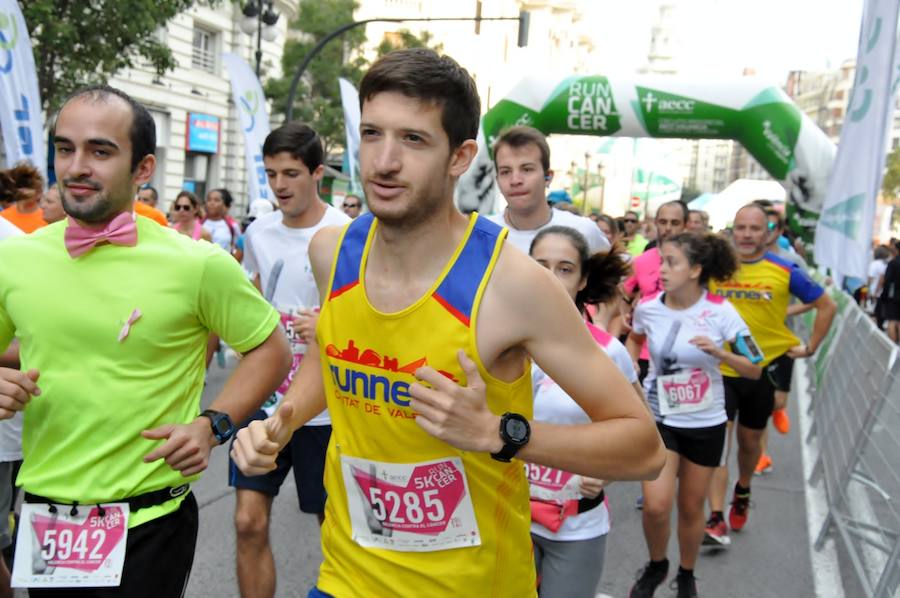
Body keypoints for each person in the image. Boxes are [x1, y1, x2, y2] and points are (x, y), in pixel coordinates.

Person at [231, 48, 664, 597]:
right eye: (372, 134)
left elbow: (644, 448)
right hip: (346, 578)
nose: (384, 161)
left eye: (413, 140)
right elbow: (332, 356)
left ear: (460, 157)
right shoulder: (331, 252)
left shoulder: (513, 285)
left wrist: (500, 434)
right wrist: (282, 424)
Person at [0, 84, 291, 595]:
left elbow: (271, 350)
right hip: (48, 519)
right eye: (65, 149)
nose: (76, 166)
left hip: (148, 518)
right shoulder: (16, 258)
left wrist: (212, 424)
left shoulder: (196, 264)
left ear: (143, 169)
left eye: (101, 151)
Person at [231, 123, 350, 598]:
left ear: (317, 173)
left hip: (324, 408)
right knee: (246, 522)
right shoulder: (259, 232)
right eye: (272, 174)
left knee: (333, 530)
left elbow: (367, 315)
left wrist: (326, 326)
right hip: (265, 399)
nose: (280, 185)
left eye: (292, 173)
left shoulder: (346, 232)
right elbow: (249, 297)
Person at [626, 232, 762, 598]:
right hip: (661, 419)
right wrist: (630, 370)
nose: (662, 270)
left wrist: (722, 355)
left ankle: (686, 574)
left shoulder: (721, 311)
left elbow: (754, 367)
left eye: (671, 263)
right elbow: (635, 340)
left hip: (706, 423)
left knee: (690, 508)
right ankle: (657, 565)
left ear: (696, 270)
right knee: (656, 506)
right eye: (660, 263)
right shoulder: (648, 307)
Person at [704, 203, 836, 544]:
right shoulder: (715, 268)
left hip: (763, 368)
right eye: (741, 227)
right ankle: (716, 517)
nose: (747, 235)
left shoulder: (785, 269)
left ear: (769, 233)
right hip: (721, 367)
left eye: (754, 228)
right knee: (720, 439)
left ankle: (743, 488)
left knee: (749, 443)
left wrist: (810, 348)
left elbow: (827, 305)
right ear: (732, 230)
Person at [527, 226, 640, 598]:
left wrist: (604, 472)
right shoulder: (493, 342)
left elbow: (640, 436)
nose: (550, 278)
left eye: (564, 269)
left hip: (574, 525)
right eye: (540, 266)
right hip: (505, 516)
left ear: (582, 280)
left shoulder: (607, 353)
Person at [487, 126, 610, 255]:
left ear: (548, 177)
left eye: (527, 169)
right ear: (497, 179)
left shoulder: (584, 231)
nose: (515, 180)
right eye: (505, 172)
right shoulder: (481, 234)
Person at [623, 201, 689, 382]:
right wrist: (625, 315)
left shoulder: (698, 263)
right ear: (656, 223)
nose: (668, 228)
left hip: (684, 354)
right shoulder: (641, 261)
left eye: (675, 223)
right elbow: (621, 296)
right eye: (663, 222)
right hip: (644, 352)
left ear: (685, 225)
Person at [0, 163, 47, 233]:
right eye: (20, 186)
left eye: (29, 186)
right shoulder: (3, 217)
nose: (24, 191)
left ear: (39, 192)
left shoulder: (47, 217)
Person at [204, 188, 242, 255]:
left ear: (223, 204)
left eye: (216, 200)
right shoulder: (198, 224)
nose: (212, 203)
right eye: (209, 200)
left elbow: (237, 247)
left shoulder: (232, 226)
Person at [882, 240, 900, 343]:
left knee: (892, 320)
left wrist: (885, 295)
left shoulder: (893, 263)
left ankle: (891, 344)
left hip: (893, 296)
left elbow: (887, 280)